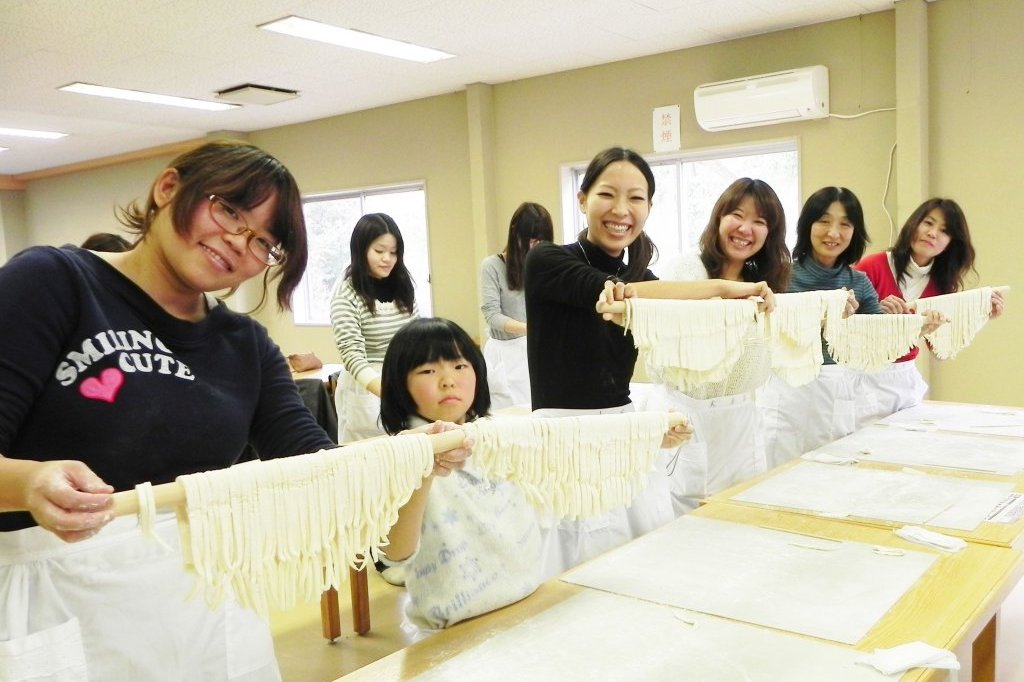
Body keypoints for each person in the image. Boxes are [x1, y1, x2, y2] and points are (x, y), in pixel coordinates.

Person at [0, 140, 467, 682]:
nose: (238, 242)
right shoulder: (55, 283)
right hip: (57, 600)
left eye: (264, 242)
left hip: (206, 608)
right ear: (169, 188)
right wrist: (30, 480)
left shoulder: (245, 345)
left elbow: (320, 471)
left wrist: (409, 460)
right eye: (229, 210)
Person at [523, 147, 768, 577]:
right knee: (571, 567)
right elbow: (617, 293)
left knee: (633, 563)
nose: (621, 210)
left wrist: (744, 302)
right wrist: (727, 290)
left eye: (636, 198)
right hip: (562, 434)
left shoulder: (642, 278)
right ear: (582, 199)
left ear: (649, 207)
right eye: (608, 195)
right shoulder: (548, 261)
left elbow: (675, 305)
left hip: (624, 427)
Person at [378, 317, 542, 630]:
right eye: (427, 370)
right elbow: (394, 553)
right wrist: (422, 470)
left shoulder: (497, 436)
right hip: (454, 628)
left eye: (459, 366)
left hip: (528, 604)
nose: (447, 381)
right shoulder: (400, 454)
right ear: (400, 385)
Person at [645, 178, 791, 514]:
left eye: (760, 221)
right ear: (718, 218)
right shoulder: (687, 268)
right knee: (685, 523)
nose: (745, 228)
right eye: (737, 215)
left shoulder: (766, 284)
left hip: (741, 423)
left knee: (742, 518)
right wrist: (730, 293)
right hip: (690, 419)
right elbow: (672, 335)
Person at [757, 186, 890, 468]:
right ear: (808, 225)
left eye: (845, 224)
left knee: (833, 476)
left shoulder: (860, 283)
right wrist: (824, 316)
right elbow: (765, 334)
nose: (833, 233)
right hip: (787, 392)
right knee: (781, 478)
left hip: (837, 395)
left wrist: (916, 321)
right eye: (824, 221)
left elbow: (880, 343)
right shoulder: (778, 277)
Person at [853, 197, 1005, 424]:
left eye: (944, 230)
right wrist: (876, 315)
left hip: (904, 380)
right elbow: (843, 329)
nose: (933, 233)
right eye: (928, 223)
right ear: (914, 224)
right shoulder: (871, 266)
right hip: (860, 378)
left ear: (951, 243)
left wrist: (980, 317)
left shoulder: (943, 286)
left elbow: (939, 351)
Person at [330, 213, 419, 443]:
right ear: (361, 250)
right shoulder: (346, 292)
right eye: (379, 251)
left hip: (403, 383)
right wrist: (389, 394)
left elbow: (417, 338)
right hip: (366, 388)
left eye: (393, 252)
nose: (387, 259)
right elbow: (352, 354)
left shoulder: (402, 285)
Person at [479, 202, 554, 410]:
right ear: (515, 234)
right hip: (503, 351)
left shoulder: (543, 264)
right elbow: (492, 315)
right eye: (529, 239)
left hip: (534, 348)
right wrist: (529, 329)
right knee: (504, 414)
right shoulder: (492, 266)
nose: (534, 246)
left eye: (540, 241)